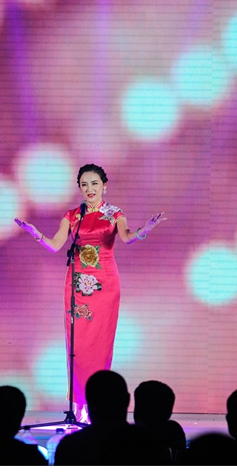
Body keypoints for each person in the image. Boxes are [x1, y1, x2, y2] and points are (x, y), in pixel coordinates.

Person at [15, 163, 165, 421]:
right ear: (79, 188)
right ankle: (78, 406)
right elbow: (55, 245)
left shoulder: (115, 213)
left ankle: (97, 406)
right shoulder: (73, 215)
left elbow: (127, 237)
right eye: (84, 184)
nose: (89, 188)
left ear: (104, 186)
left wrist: (145, 229)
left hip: (105, 284)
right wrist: (35, 233)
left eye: (94, 183)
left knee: (100, 344)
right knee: (77, 344)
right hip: (77, 285)